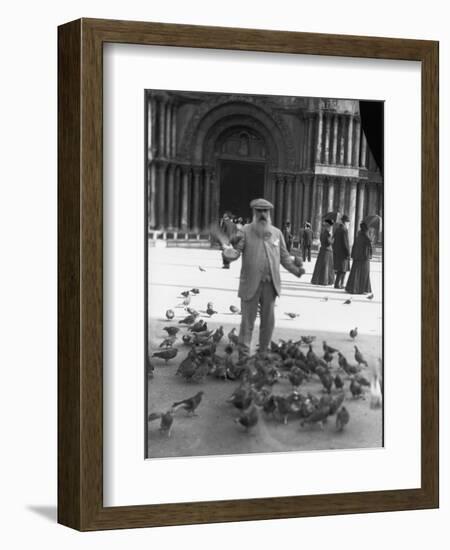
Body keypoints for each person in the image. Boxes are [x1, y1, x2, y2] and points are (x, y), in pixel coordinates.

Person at [222, 198, 304, 354]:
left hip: (270, 284)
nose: (262, 214)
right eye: (259, 211)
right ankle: (244, 357)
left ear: (269, 213)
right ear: (254, 212)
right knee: (247, 322)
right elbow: (236, 252)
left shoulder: (276, 233)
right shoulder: (245, 231)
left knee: (268, 322)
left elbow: (284, 257)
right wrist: (227, 253)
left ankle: (263, 354)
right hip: (250, 283)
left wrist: (296, 270)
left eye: (265, 211)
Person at [345, 221, 373, 294]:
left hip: (357, 257)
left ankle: (352, 288)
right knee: (364, 273)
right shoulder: (366, 235)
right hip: (364, 258)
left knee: (355, 272)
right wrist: (372, 235)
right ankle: (362, 289)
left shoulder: (359, 235)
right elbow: (370, 243)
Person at [311, 218, 335, 286]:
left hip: (323, 250)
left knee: (320, 265)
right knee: (326, 266)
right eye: (330, 226)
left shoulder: (323, 232)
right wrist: (333, 240)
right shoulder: (327, 234)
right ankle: (324, 280)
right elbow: (328, 242)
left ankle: (317, 279)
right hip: (327, 251)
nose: (331, 228)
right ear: (328, 226)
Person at [332, 214, 351, 289]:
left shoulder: (338, 229)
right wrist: (348, 253)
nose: (349, 224)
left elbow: (334, 240)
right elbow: (345, 243)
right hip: (343, 253)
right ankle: (338, 284)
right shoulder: (344, 230)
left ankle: (339, 284)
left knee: (341, 269)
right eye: (348, 222)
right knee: (343, 269)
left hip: (337, 252)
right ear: (345, 222)